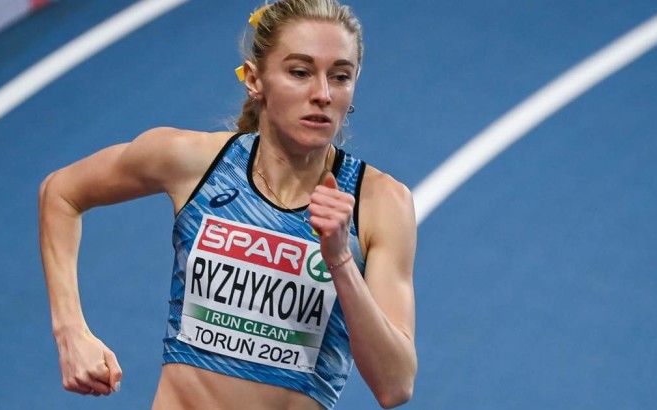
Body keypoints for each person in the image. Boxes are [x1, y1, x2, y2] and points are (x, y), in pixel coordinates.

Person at [39, 0, 417, 408]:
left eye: (340, 77)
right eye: (300, 72)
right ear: (255, 80)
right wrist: (70, 331)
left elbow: (395, 385)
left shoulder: (378, 204)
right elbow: (61, 193)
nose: (322, 94)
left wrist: (340, 259)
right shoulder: (195, 163)